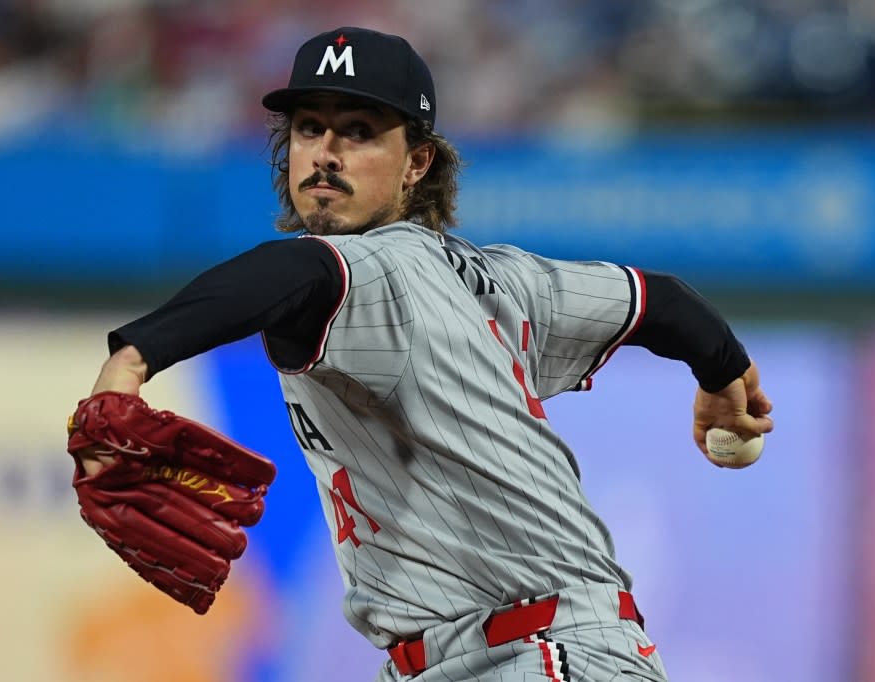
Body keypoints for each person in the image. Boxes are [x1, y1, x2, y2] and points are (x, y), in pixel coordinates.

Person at [79, 26, 773, 682]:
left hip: (535, 654)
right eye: (309, 128)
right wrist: (724, 373)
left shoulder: (372, 269)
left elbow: (292, 274)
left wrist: (132, 360)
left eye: (359, 132)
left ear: (417, 162)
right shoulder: (511, 281)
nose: (326, 152)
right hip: (525, 652)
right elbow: (663, 302)